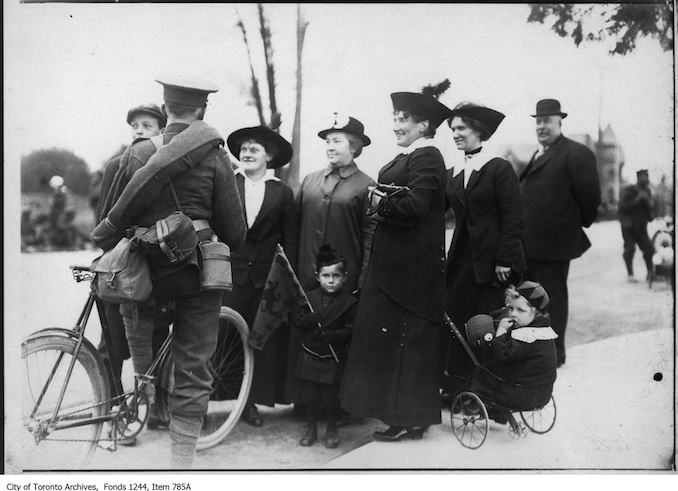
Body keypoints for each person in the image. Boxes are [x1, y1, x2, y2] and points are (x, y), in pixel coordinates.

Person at [91, 75, 246, 467]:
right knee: (194, 367)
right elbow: (235, 232)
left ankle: (137, 404)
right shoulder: (215, 156)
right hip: (196, 277)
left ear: (165, 108)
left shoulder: (136, 154)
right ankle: (181, 465)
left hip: (142, 274)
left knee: (140, 350)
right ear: (203, 110)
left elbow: (112, 222)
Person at [340, 80, 452, 442]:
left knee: (410, 344)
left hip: (412, 271)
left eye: (403, 118)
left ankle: (411, 419)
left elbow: (417, 205)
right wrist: (387, 199)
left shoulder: (427, 155)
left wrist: (379, 202)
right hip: (394, 266)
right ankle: (398, 416)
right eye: (394, 117)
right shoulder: (406, 157)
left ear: (424, 125)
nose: (395, 125)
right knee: (393, 343)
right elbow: (404, 200)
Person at [442, 102, 526, 396]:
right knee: (458, 319)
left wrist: (504, 260)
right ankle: (460, 388)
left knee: (485, 326)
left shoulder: (498, 167)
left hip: (493, 265)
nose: (455, 134)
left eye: (461, 128)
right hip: (463, 261)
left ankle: (489, 394)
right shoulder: (457, 171)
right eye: (452, 129)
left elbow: (513, 215)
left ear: (478, 129)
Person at [93, 103, 167, 435]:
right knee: (113, 341)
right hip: (121, 270)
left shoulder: (166, 169)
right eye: (135, 125)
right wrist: (122, 250)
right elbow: (103, 224)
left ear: (161, 133)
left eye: (147, 125)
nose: (139, 130)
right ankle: (113, 411)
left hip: (156, 268)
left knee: (155, 336)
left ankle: (156, 407)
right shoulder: (116, 166)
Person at [295, 114, 375, 409]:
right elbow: (296, 224)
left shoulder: (366, 185)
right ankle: (304, 404)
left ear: (354, 147)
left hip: (344, 278)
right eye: (327, 141)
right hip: (308, 274)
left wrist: (363, 278)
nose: (330, 146)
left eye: (337, 141)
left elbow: (370, 236)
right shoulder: (310, 181)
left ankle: (339, 408)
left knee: (340, 338)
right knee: (308, 332)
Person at [222, 125, 298, 427]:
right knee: (224, 336)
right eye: (243, 148)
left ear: (270, 155)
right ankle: (220, 402)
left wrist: (286, 281)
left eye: (255, 148)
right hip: (230, 274)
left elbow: (290, 239)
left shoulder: (282, 191)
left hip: (266, 279)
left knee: (259, 339)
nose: (247, 152)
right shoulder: (227, 183)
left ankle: (250, 402)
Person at [519, 98, 601, 368]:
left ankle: (555, 354)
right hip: (531, 244)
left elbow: (590, 199)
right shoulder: (538, 154)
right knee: (533, 300)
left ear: (559, 122)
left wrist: (572, 227)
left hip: (555, 244)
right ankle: (538, 352)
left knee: (552, 300)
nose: (542, 126)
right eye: (538, 121)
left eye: (547, 121)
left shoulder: (576, 153)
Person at [292, 245, 357, 448]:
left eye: (336, 276)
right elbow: (298, 321)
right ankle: (311, 427)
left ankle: (331, 427)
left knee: (331, 399)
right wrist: (311, 319)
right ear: (317, 276)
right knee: (310, 397)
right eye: (326, 275)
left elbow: (351, 330)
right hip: (311, 355)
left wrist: (334, 336)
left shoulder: (349, 302)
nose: (330, 280)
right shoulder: (308, 298)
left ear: (344, 277)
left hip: (332, 357)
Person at [468, 281, 557, 420]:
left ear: (537, 313)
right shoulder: (544, 332)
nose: (513, 314)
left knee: (482, 370)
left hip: (519, 395)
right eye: (510, 309)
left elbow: (499, 355)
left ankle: (485, 406)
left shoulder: (527, 336)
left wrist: (502, 330)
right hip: (542, 393)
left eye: (520, 310)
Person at [618, 169, 655, 282]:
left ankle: (650, 273)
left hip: (641, 226)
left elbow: (649, 209)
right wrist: (638, 199)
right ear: (638, 178)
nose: (647, 179)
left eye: (648, 176)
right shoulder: (630, 190)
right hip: (628, 225)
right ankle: (630, 275)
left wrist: (649, 209)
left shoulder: (647, 190)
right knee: (630, 249)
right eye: (645, 176)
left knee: (649, 249)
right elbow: (623, 207)